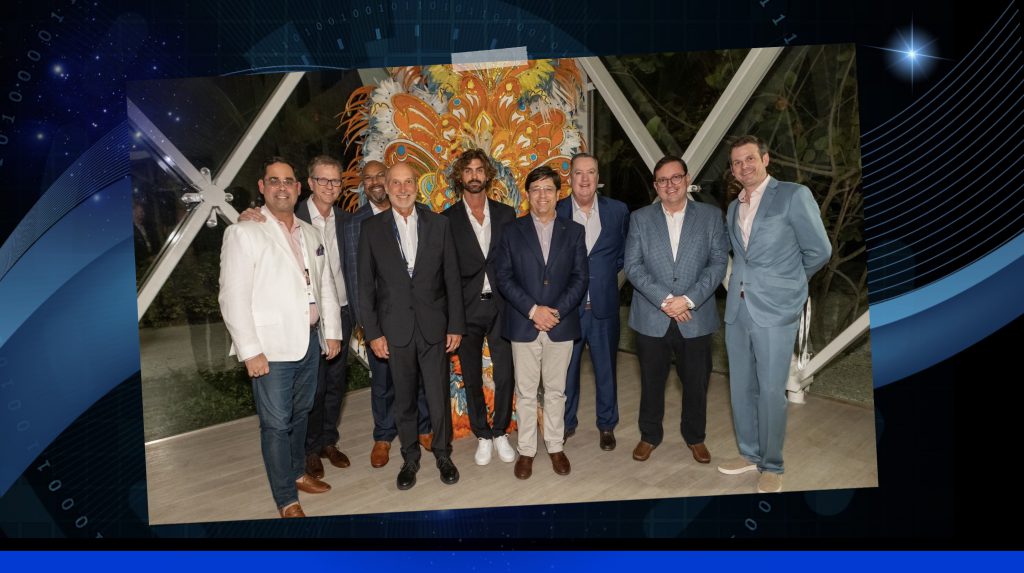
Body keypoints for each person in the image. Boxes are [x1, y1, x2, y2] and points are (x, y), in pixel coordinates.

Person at [218, 156, 342, 518]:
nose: (282, 187)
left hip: (310, 341)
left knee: (301, 413)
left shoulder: (312, 233)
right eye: (274, 180)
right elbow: (232, 297)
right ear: (262, 187)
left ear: (299, 188)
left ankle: (297, 473)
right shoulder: (244, 232)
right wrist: (250, 351)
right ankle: (286, 499)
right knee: (275, 424)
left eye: (288, 181)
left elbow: (325, 286)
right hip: (270, 349)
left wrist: (333, 333)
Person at [717, 135, 832, 494]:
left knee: (770, 390)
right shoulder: (733, 207)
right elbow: (742, 256)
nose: (743, 167)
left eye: (749, 158)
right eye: (737, 162)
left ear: (765, 159)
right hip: (738, 308)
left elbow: (819, 251)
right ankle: (750, 453)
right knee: (741, 387)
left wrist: (788, 285)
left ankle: (772, 464)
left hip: (776, 309)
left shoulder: (793, 196)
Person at [357, 161, 465, 490]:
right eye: (396, 183)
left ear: (416, 187)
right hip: (395, 329)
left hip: (434, 327)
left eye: (408, 182)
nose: (402, 189)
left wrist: (455, 325)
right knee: (403, 398)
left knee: (437, 396)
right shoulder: (371, 229)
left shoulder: (439, 224)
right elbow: (365, 287)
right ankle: (410, 458)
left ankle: (443, 454)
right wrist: (373, 333)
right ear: (386, 187)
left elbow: (452, 278)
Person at [624, 155, 729, 465]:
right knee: (651, 383)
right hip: (652, 316)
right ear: (656, 185)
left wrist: (689, 300)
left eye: (675, 177)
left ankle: (695, 437)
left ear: (687, 179)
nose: (669, 184)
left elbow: (718, 263)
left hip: (695, 316)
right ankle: (649, 435)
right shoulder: (640, 218)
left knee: (696, 383)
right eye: (662, 180)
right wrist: (667, 300)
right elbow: (633, 265)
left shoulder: (710, 216)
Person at [494, 165, 588, 480]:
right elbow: (504, 277)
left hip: (561, 324)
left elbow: (580, 278)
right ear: (528, 195)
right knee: (525, 392)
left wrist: (555, 312)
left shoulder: (574, 231)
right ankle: (527, 450)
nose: (542, 195)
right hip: (524, 323)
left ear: (558, 194)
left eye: (548, 189)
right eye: (536, 190)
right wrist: (534, 310)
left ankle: (555, 445)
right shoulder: (511, 231)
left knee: (556, 391)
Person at [343, 161, 434, 468]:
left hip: (417, 319)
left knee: (418, 378)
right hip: (381, 322)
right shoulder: (356, 223)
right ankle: (383, 436)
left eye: (380, 176)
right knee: (382, 383)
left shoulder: (422, 214)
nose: (374, 182)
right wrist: (370, 329)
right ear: (363, 184)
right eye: (367, 178)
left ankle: (423, 428)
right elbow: (357, 279)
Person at [442, 149, 517, 466]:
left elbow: (514, 263)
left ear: (488, 175)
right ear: (460, 177)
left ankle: (501, 431)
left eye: (479, 170)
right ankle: (483, 435)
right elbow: (445, 272)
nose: (474, 175)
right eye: (468, 170)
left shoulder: (506, 214)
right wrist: (450, 318)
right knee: (471, 376)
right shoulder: (447, 219)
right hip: (466, 310)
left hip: (502, 307)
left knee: (506, 373)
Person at [555, 152, 629, 451]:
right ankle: (566, 423)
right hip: (567, 310)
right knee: (566, 372)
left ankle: (607, 425)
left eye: (591, 172)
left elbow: (622, 255)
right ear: (570, 178)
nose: (585, 179)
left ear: (598, 178)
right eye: (579, 173)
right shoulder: (556, 210)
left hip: (603, 307)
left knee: (606, 370)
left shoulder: (618, 211)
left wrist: (602, 276)